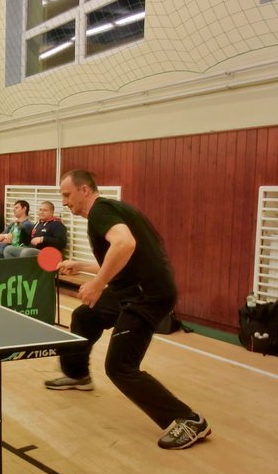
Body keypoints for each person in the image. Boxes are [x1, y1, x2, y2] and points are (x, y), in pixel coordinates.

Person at [49, 169, 210, 450]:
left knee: (120, 367)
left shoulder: (100, 212)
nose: (64, 201)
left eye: (67, 194)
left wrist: (98, 284)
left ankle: (189, 421)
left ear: (84, 190)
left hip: (145, 296)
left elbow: (125, 244)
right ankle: (78, 375)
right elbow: (124, 257)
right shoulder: (111, 209)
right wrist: (83, 266)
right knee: (86, 315)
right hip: (130, 289)